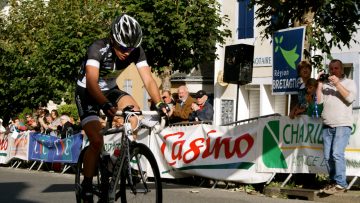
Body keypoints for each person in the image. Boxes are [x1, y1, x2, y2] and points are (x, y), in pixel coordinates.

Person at [74, 14, 169, 203]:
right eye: (123, 47)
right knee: (96, 139)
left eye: (131, 47)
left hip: (110, 89)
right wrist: (105, 104)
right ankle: (86, 184)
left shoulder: (135, 50)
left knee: (133, 113)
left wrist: (159, 103)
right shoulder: (97, 48)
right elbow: (92, 83)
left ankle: (121, 159)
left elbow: (148, 79)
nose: (127, 52)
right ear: (112, 38)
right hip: (88, 92)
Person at [318, 59, 357, 195]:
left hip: (342, 124)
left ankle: (341, 183)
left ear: (341, 70)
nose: (333, 71)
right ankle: (333, 182)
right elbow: (319, 101)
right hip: (327, 125)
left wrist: (337, 84)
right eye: (331, 68)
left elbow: (350, 98)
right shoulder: (326, 84)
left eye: (336, 68)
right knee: (328, 156)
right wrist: (319, 84)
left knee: (336, 153)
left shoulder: (349, 82)